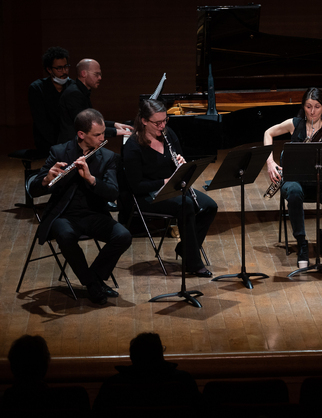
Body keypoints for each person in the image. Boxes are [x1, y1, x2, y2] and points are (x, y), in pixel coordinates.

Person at [30, 109, 132, 305]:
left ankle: (92, 279)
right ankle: (93, 284)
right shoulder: (59, 152)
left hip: (94, 214)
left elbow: (113, 193)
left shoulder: (108, 157)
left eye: (103, 133)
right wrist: (46, 179)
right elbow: (33, 190)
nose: (103, 138)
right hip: (63, 216)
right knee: (66, 235)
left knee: (123, 236)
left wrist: (91, 179)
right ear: (81, 135)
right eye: (97, 135)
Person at [122, 99, 217, 277]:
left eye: (165, 120)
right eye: (157, 123)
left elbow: (178, 167)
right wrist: (163, 182)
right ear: (144, 121)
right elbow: (136, 186)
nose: (162, 125)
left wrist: (182, 165)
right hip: (147, 196)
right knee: (186, 205)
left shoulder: (169, 134)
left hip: (171, 188)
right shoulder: (133, 148)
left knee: (210, 206)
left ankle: (186, 249)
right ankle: (194, 263)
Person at [264, 87, 322, 268]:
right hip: (294, 181)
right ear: (303, 106)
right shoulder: (295, 124)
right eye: (308, 106)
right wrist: (270, 162)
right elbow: (268, 132)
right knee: (295, 193)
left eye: (317, 107)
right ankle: (302, 243)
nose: (312, 112)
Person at [92, 332, 203, 413]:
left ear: (132, 356)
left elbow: (98, 411)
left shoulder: (113, 384)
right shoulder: (183, 380)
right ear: (160, 354)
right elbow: (200, 409)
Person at [56, 58, 133, 143]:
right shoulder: (74, 93)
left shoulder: (81, 91)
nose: (100, 77)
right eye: (96, 74)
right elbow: (86, 125)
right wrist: (116, 131)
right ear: (83, 73)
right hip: (73, 147)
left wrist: (115, 125)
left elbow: (91, 120)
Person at [28, 46, 73, 156]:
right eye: (59, 68)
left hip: (71, 137)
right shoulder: (37, 88)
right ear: (49, 69)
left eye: (66, 67)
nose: (64, 71)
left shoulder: (73, 86)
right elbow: (41, 121)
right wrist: (60, 144)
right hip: (47, 140)